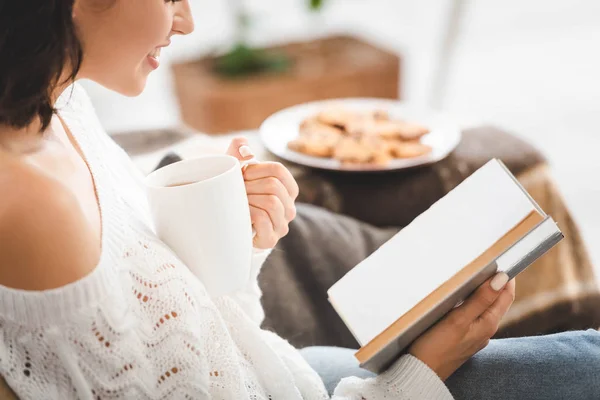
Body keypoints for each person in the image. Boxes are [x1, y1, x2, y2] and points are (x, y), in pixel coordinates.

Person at [0, 1, 599, 399]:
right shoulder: (35, 205)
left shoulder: (61, 102)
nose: (185, 21)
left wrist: (237, 241)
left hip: (280, 371)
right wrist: (420, 373)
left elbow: (192, 331)